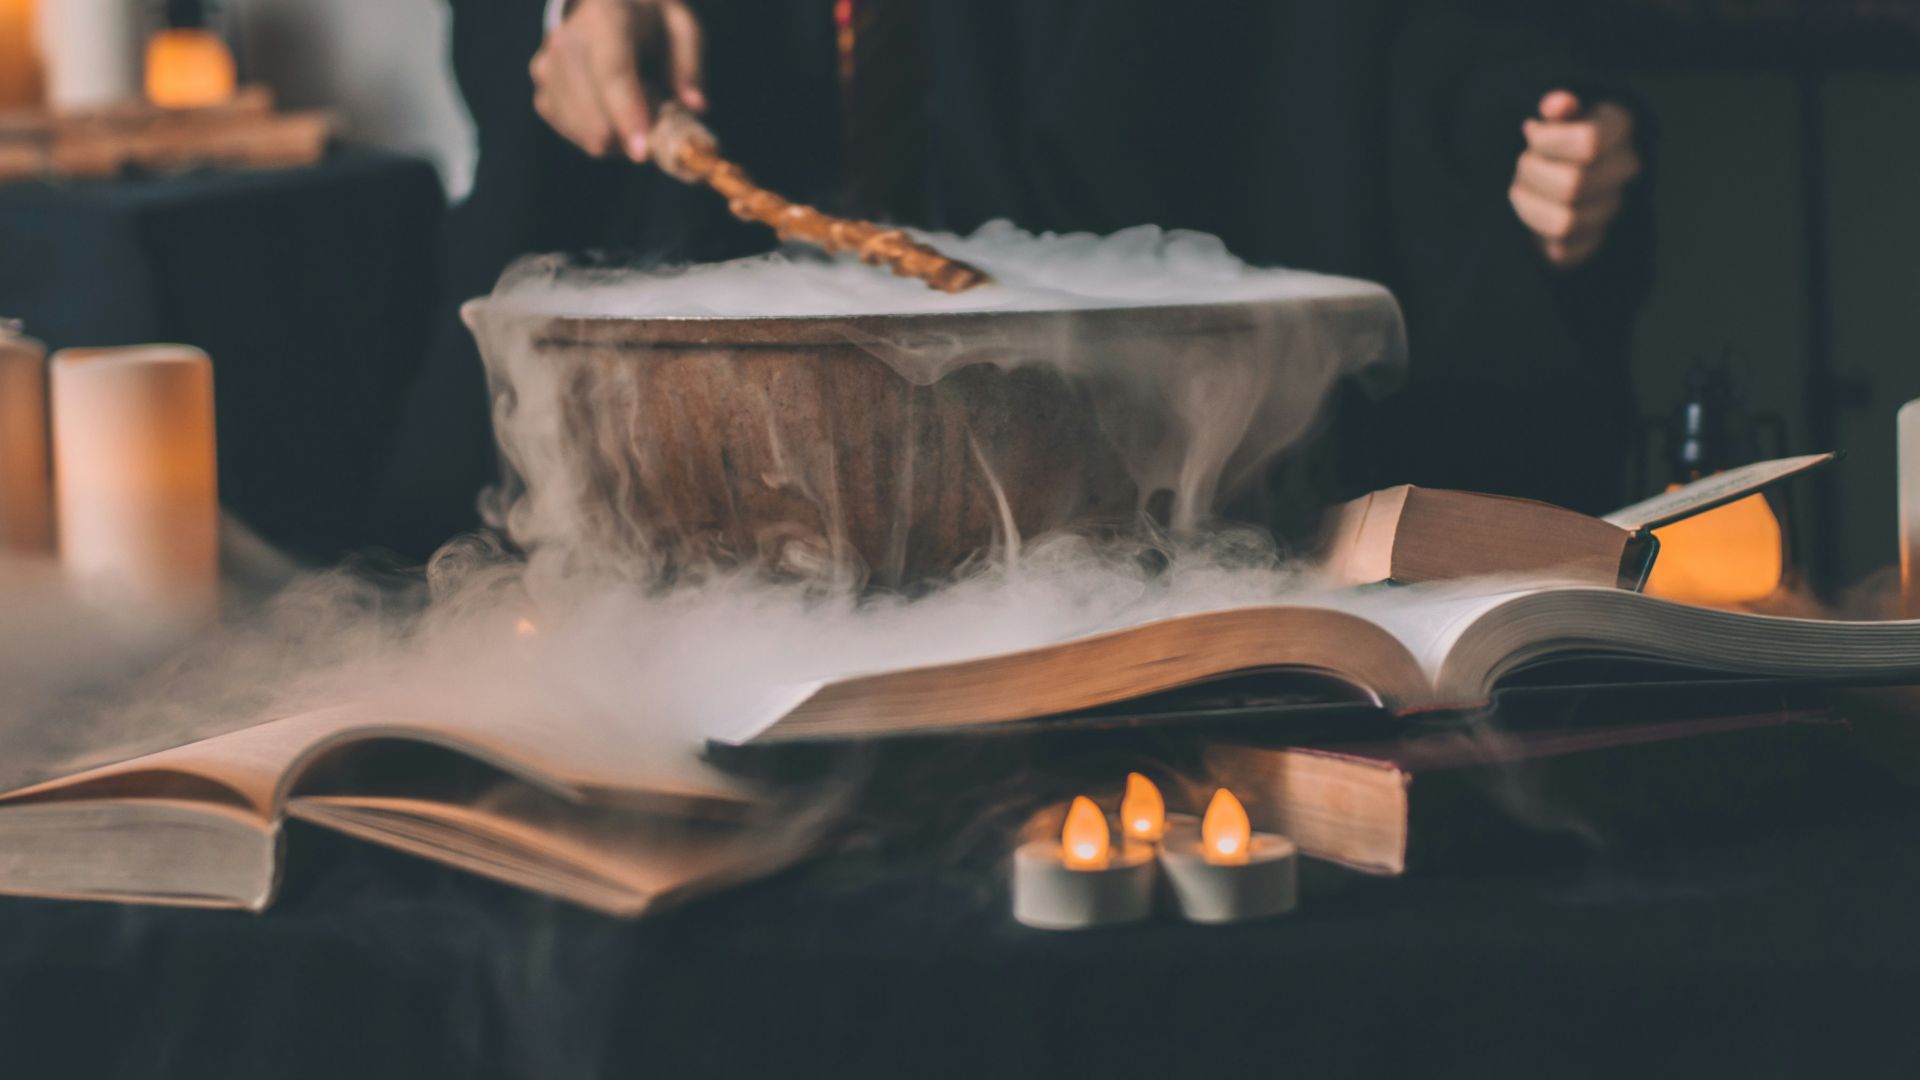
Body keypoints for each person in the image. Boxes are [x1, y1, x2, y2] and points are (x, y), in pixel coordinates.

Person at [376, 0, 1650, 558]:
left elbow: (1352, 46)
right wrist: (568, 17)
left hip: (1112, 447)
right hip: (694, 444)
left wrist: (1499, 135)